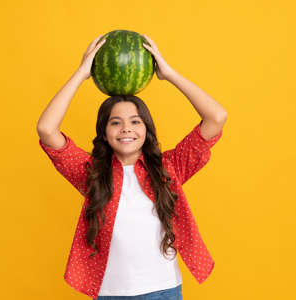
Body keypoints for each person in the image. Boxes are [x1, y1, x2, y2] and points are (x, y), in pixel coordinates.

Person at [36, 33, 228, 300]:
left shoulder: (169, 167)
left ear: (146, 129)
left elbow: (216, 117)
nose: (126, 127)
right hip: (109, 294)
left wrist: (169, 74)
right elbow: (46, 129)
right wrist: (81, 73)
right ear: (104, 132)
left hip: (163, 292)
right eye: (115, 122)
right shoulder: (91, 172)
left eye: (136, 121)